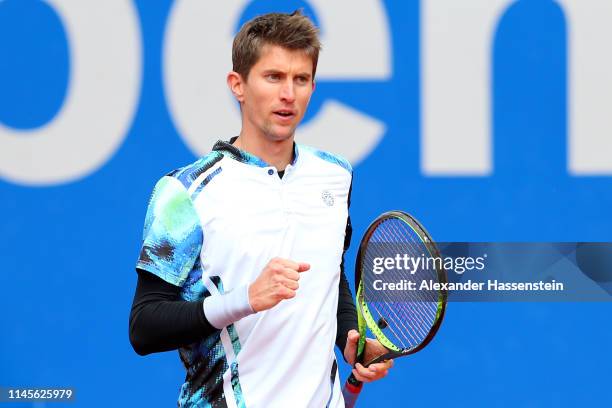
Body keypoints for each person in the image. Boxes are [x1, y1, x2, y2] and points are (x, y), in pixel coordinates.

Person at [129, 10, 393, 407]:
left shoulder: (335, 177)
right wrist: (247, 298)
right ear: (238, 84)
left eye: (300, 79)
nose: (288, 94)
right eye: (273, 77)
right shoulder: (185, 192)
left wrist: (350, 337)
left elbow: (329, 276)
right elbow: (144, 327)